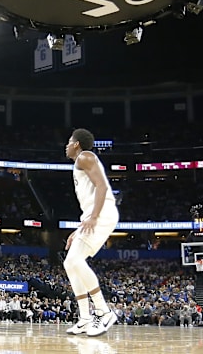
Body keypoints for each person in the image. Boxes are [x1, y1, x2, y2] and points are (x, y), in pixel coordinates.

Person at [63, 128, 119, 337]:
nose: (66, 145)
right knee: (69, 262)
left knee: (76, 261)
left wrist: (94, 216)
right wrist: (79, 229)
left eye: (69, 141)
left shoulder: (85, 157)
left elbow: (102, 187)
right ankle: (85, 318)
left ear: (77, 143)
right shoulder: (81, 162)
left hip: (102, 212)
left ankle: (104, 312)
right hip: (93, 214)